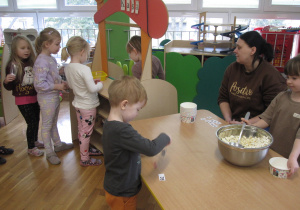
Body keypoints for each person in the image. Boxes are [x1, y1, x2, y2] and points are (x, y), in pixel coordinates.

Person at [102, 76, 171, 209]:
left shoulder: (109, 124)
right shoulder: (122, 130)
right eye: (137, 109)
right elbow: (151, 149)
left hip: (115, 186)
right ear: (124, 104)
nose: (137, 114)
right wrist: (165, 137)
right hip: (123, 192)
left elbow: (122, 148)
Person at [243, 55, 300, 177]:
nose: (288, 81)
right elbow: (267, 118)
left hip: (293, 160)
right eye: (288, 77)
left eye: (294, 78)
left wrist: (293, 157)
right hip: (273, 153)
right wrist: (253, 126)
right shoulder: (281, 97)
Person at [218, 30, 287, 124]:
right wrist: (229, 120)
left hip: (258, 126)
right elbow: (223, 98)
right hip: (234, 123)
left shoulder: (271, 75)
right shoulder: (232, 69)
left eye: (239, 47)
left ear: (253, 50)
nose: (235, 50)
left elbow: (271, 112)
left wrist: (246, 124)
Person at [33, 27, 73, 165]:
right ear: (46, 44)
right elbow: (39, 84)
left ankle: (58, 144)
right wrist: (57, 86)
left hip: (54, 97)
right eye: (57, 44)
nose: (59, 46)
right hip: (46, 99)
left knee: (53, 122)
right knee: (47, 125)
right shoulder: (41, 61)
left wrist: (61, 82)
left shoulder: (50, 59)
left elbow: (52, 77)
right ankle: (49, 152)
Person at [62, 36, 103, 166]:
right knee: (86, 132)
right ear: (82, 52)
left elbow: (73, 85)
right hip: (88, 106)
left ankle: (85, 150)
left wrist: (90, 83)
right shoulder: (84, 69)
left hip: (78, 105)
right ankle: (85, 158)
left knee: (82, 130)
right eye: (88, 53)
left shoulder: (67, 68)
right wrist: (100, 85)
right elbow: (92, 89)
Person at [3, 35, 44, 157]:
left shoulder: (32, 62)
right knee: (31, 122)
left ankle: (35, 141)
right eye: (22, 48)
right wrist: (6, 81)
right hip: (22, 100)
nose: (26, 50)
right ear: (15, 50)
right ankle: (31, 147)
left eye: (28, 48)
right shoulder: (13, 65)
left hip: (35, 98)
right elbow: (9, 87)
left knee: (36, 120)